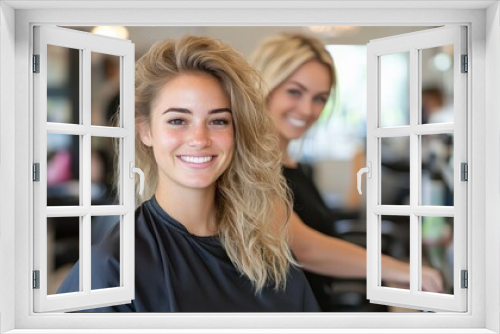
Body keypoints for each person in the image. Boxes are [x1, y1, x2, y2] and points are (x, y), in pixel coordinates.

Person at [57, 35, 320, 312]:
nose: (199, 138)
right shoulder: (112, 268)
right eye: (178, 120)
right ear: (145, 130)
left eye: (218, 121)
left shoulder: (269, 253)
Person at [250, 32, 444, 311]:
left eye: (320, 98)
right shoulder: (251, 166)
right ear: (264, 85)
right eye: (294, 91)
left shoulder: (290, 162)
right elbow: (304, 248)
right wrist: (398, 270)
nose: (308, 109)